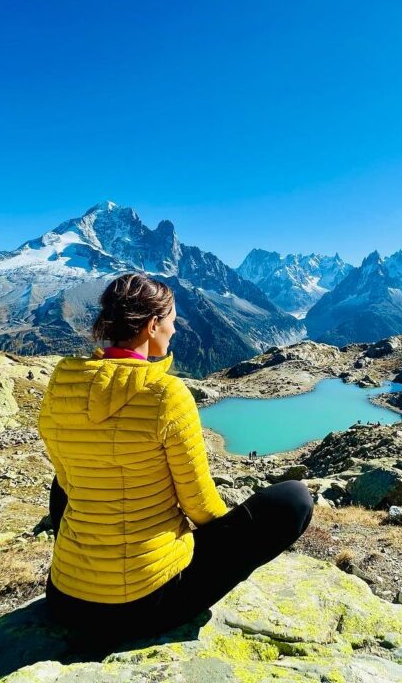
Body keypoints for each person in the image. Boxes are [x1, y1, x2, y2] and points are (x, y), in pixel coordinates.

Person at [37, 273, 313, 643]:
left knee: (68, 480)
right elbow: (199, 505)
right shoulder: (166, 393)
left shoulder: (60, 384)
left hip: (65, 600)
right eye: (171, 321)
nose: (176, 330)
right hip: (145, 604)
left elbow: (69, 486)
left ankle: (84, 574)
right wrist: (226, 539)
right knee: (293, 499)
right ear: (152, 326)